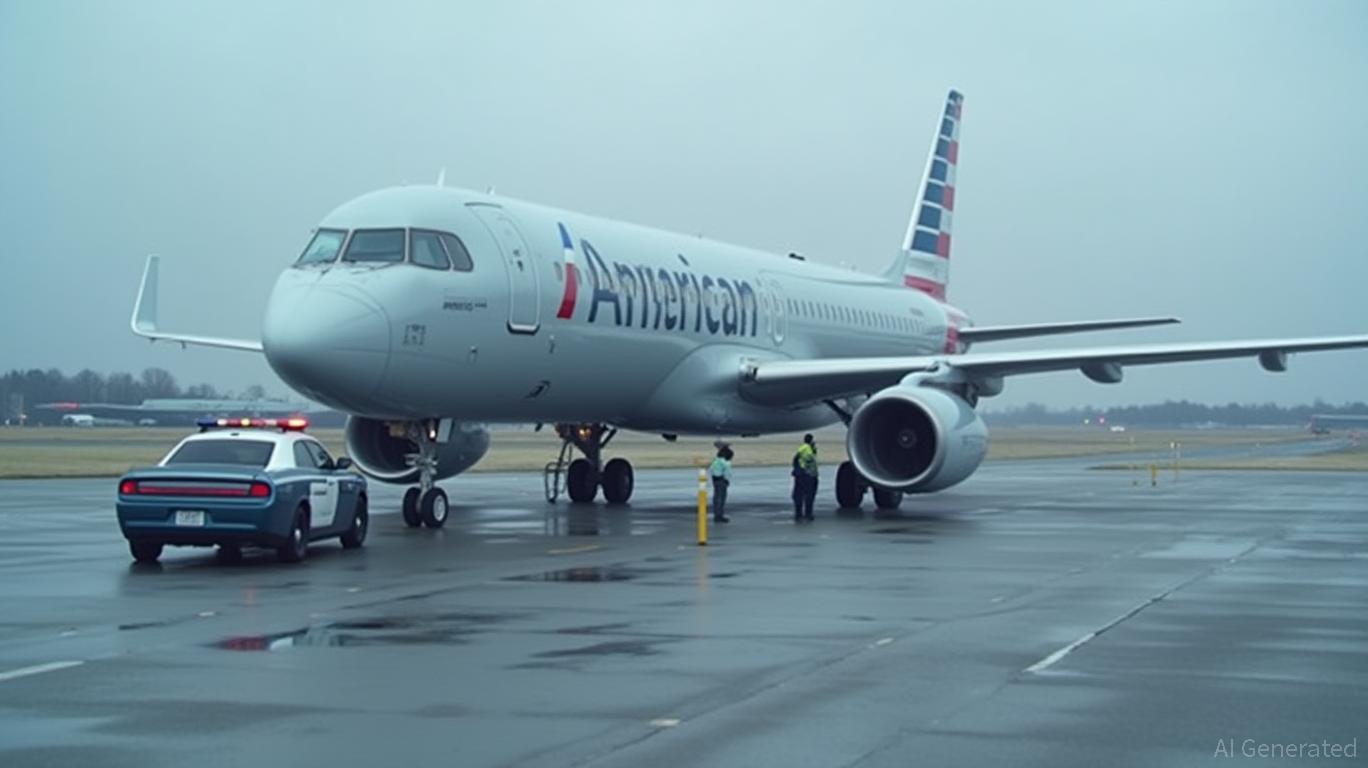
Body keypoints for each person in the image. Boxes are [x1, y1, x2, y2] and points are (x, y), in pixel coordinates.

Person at [791, 434, 819, 522]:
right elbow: (809, 460)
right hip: (807, 475)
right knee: (809, 495)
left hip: (800, 474)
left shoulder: (802, 448)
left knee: (798, 495)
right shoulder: (808, 449)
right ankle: (808, 514)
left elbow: (796, 459)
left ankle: (798, 514)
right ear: (811, 440)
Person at [709, 446, 733, 523]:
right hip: (722, 480)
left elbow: (711, 469)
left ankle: (717, 515)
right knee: (721, 498)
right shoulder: (725, 463)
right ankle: (719, 516)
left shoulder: (716, 461)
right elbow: (727, 473)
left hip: (715, 480)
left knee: (716, 498)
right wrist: (727, 480)